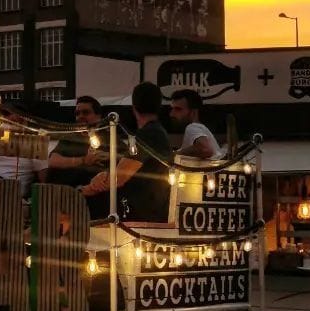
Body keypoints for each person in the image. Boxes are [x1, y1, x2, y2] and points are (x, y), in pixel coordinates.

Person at [82, 81, 171, 223]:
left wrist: (83, 190)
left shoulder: (150, 134)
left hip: (143, 213)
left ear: (134, 107)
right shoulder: (156, 133)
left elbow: (118, 178)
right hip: (150, 209)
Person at [47, 95, 106, 188]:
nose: (80, 116)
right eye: (77, 113)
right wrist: (83, 160)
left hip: (94, 191)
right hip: (65, 191)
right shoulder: (70, 137)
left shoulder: (109, 138)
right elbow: (53, 161)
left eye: (85, 112)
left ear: (98, 116)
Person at [168, 88, 219, 161]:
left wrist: (175, 154)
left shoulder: (192, 127)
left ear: (193, 112)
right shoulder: (200, 128)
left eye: (178, 109)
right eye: (172, 109)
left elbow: (206, 150)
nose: (171, 114)